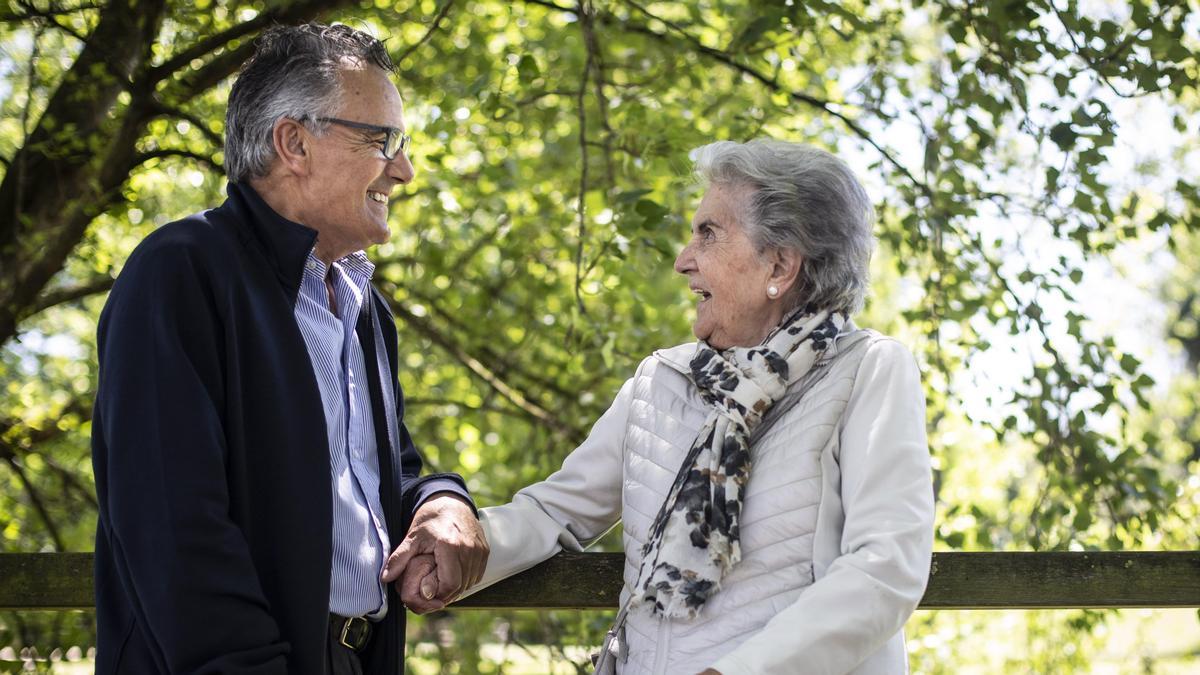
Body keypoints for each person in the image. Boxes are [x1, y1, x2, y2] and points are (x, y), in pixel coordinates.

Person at [91, 23, 487, 674]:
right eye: (382, 140)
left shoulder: (364, 306)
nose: (406, 170)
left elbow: (379, 473)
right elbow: (175, 529)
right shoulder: (179, 273)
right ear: (294, 142)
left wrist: (442, 501)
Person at [459, 140, 935, 674]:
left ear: (778, 263)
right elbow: (554, 513)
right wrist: (455, 548)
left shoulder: (869, 370)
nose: (684, 260)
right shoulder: (662, 379)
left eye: (708, 233)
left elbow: (884, 570)